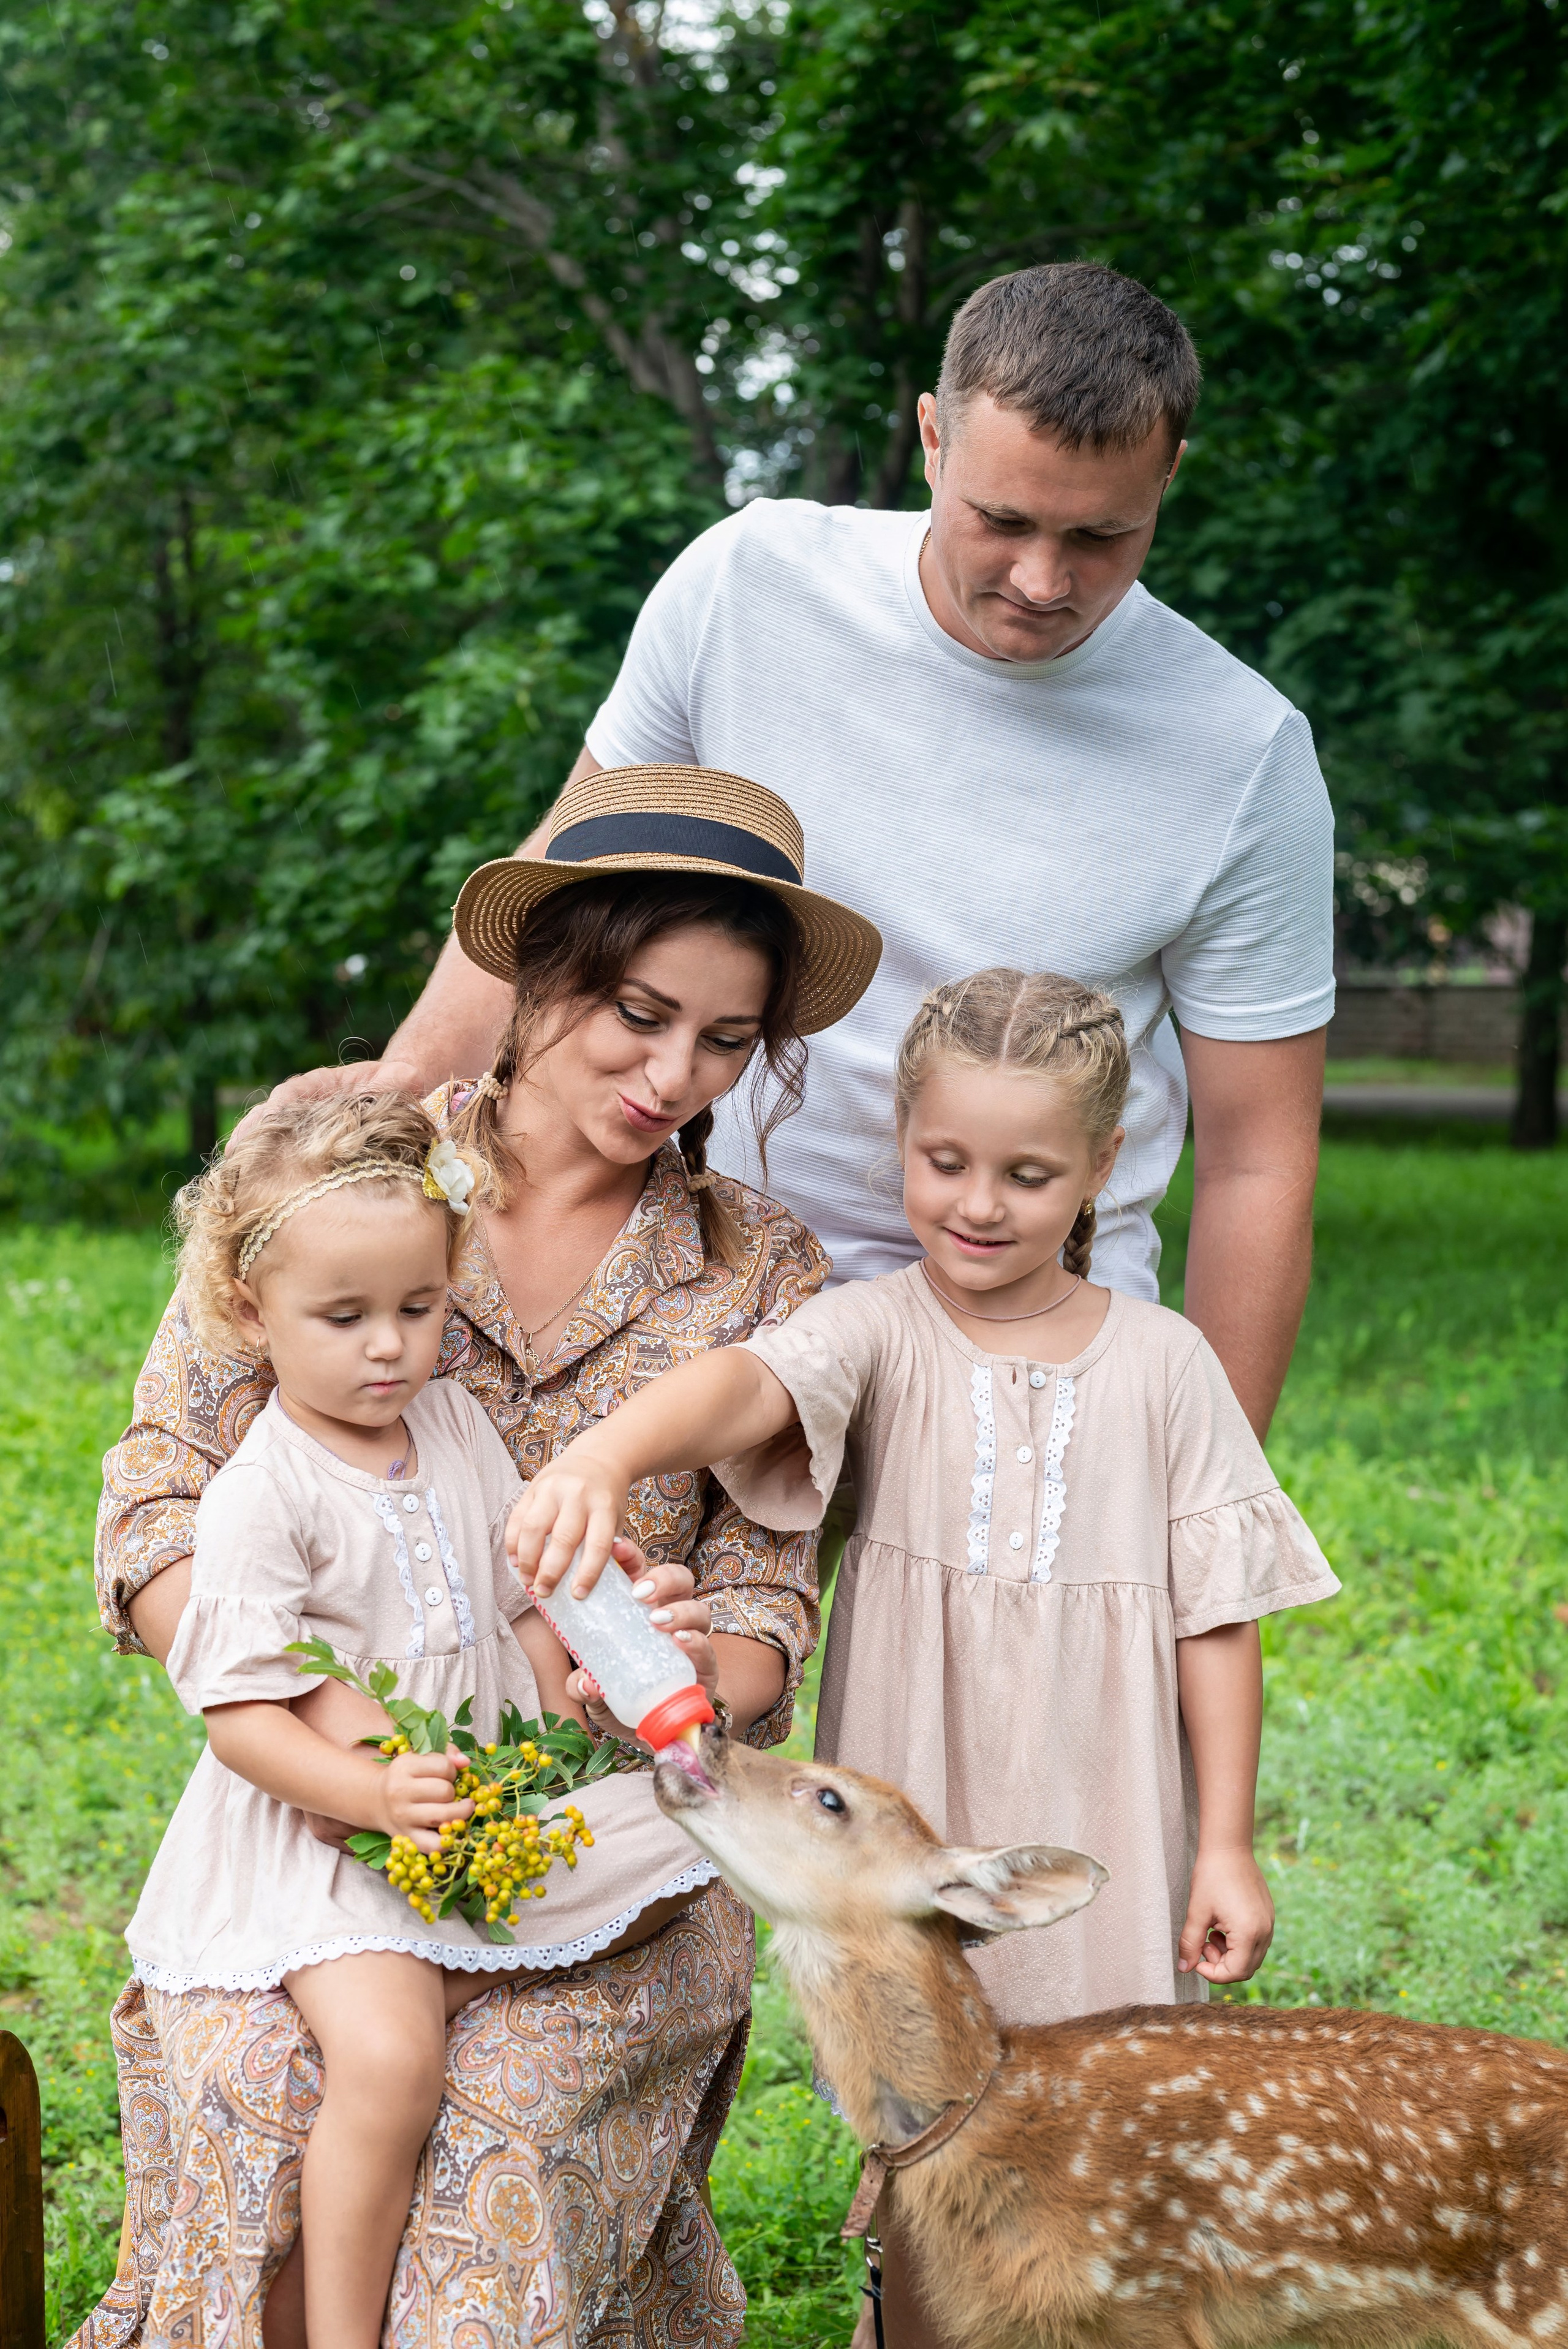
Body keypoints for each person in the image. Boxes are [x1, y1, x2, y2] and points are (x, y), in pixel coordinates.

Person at [79, 766, 882, 2349]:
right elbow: (157, 1500)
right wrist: (339, 1752)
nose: (673, 1074)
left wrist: (666, 1657)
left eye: (727, 1040)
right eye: (638, 1013)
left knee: (505, 2123)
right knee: (271, 2082)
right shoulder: (333, 1168)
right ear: (545, 976)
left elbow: (769, 1612)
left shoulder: (761, 1269)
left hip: (603, 1853)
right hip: (304, 1828)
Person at [266, 262, 1334, 1439]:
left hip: (1020, 1355)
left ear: (1169, 474)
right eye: (1003, 519)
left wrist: (1213, 1497)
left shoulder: (1244, 753)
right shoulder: (750, 585)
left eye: (1101, 534)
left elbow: (1256, 1161)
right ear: (932, 438)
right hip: (695, 1302)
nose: (1042, 580)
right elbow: (573, 868)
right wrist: (409, 1088)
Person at [507, 967, 1341, 2345]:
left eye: (1026, 1172)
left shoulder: (1166, 1361)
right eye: (943, 1160)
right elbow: (748, 1388)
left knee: (1117, 2095)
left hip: (1103, 1778)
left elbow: (1216, 1612)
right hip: (916, 1778)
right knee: (925, 2093)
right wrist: (605, 1452)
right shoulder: (879, 1328)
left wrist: (1225, 1843)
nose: (977, 1202)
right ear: (899, 1144)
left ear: (1100, 1170)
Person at [127, 1092, 720, 2349]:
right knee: (389, 2063)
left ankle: (461, 1941)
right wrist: (370, 1797)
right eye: (342, 1319)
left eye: (418, 1308)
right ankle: (338, 2333)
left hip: (474, 1797)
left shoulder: (451, 1426)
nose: (389, 1348)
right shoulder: (261, 1492)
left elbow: (521, 1609)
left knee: (684, 1837)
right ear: (251, 1311)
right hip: (327, 1839)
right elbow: (241, 1719)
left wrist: (603, 1642)